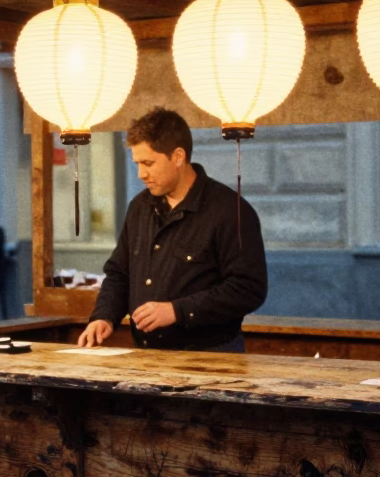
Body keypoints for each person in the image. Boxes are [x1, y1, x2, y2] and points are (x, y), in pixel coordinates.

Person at [77, 108, 267, 353]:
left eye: (148, 163)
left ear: (178, 156)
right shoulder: (139, 207)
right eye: (137, 163)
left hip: (212, 360)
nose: (141, 174)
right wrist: (104, 316)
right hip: (146, 357)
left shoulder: (230, 210)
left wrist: (177, 311)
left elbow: (248, 289)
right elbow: (119, 274)